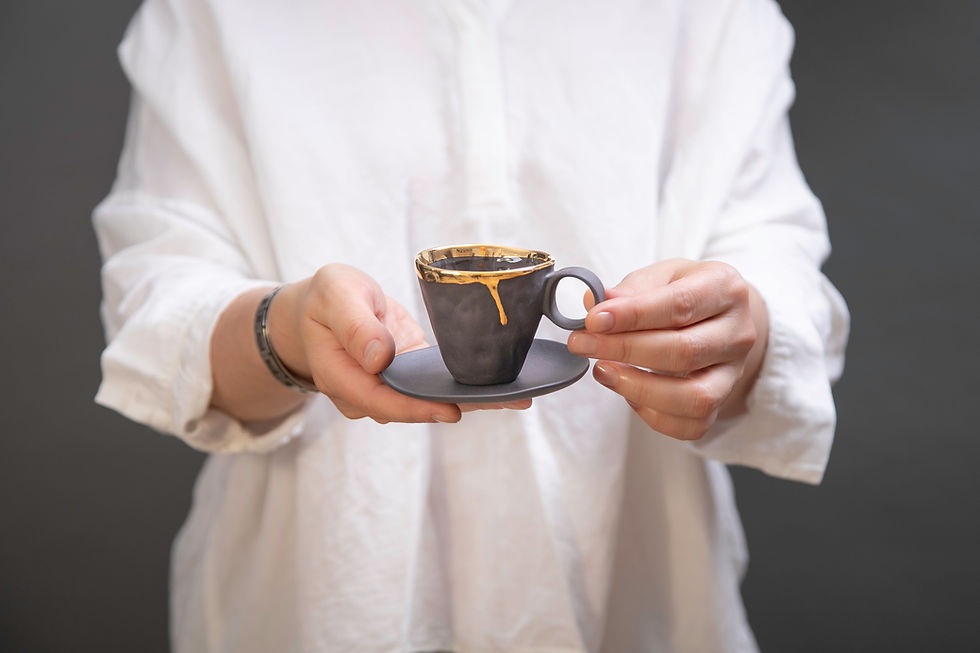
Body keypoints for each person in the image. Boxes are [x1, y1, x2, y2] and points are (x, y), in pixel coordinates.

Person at [93, 0, 849, 651]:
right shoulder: (213, 14)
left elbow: (776, 255)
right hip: (310, 602)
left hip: (643, 594)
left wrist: (734, 334)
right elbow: (159, 298)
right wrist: (286, 332)